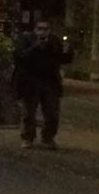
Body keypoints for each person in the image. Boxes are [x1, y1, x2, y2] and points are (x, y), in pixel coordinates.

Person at [12, 20, 72, 149]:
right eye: (40, 28)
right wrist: (36, 46)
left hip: (50, 82)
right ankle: (28, 137)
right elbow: (20, 57)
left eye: (46, 29)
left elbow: (62, 59)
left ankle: (48, 137)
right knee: (28, 113)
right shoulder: (26, 39)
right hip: (30, 82)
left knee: (52, 113)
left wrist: (67, 51)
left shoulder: (54, 41)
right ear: (35, 29)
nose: (43, 32)